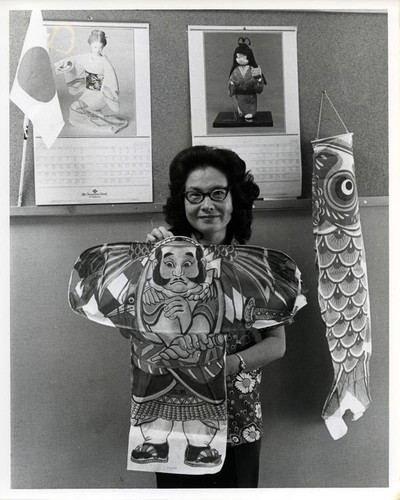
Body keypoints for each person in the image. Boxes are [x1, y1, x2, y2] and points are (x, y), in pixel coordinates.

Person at [145, 145, 288, 488]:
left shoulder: (258, 270)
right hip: (172, 415)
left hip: (237, 418)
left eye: (218, 193)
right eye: (194, 194)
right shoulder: (162, 259)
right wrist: (150, 262)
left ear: (234, 198)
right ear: (182, 201)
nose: (206, 205)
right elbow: (140, 330)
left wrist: (225, 365)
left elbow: (276, 345)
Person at [54, 30, 128, 133]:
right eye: (95, 47)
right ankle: (92, 116)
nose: (98, 50)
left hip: (100, 94)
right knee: (74, 108)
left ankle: (99, 124)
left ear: (103, 47)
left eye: (100, 47)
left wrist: (109, 92)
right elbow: (72, 60)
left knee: (75, 108)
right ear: (90, 46)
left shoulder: (105, 62)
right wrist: (60, 63)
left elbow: (111, 79)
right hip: (89, 92)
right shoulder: (86, 57)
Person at [228, 37, 266, 121]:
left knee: (250, 105)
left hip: (250, 95)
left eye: (243, 57)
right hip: (240, 94)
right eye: (238, 57)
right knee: (241, 104)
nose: (240, 60)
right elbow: (232, 80)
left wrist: (259, 80)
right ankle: (241, 111)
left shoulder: (252, 69)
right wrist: (232, 85)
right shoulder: (235, 70)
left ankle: (250, 112)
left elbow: (258, 86)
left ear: (249, 57)